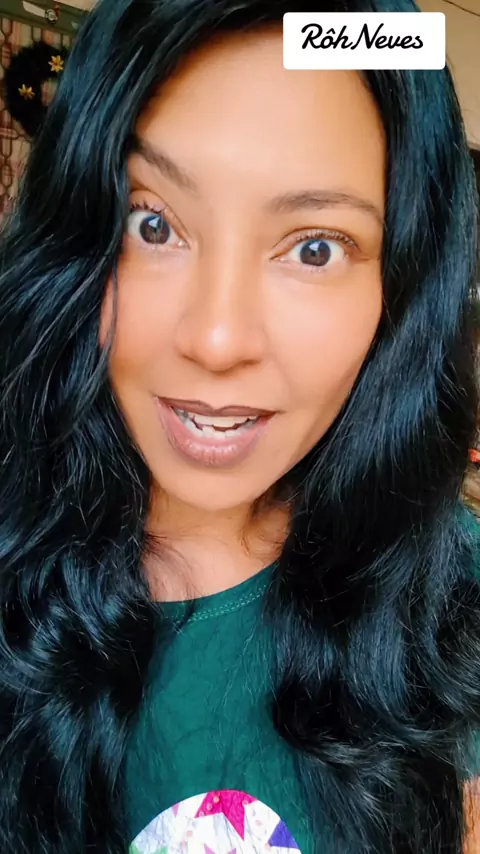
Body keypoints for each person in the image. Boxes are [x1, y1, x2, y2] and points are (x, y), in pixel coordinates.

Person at [0, 0, 479, 852]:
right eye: (153, 224)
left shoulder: (453, 589)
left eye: (315, 248)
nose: (217, 340)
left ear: (404, 287)